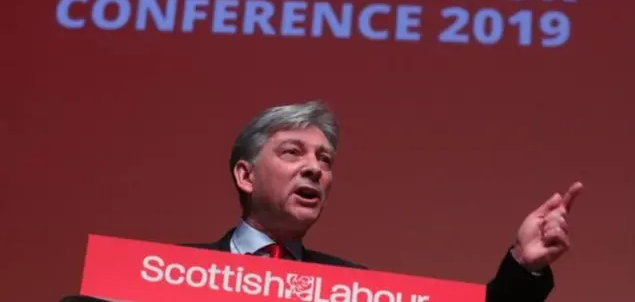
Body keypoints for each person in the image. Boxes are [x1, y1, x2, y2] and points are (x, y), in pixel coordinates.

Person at [183, 100, 584, 302]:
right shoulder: (171, 275)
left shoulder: (354, 288)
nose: (315, 169)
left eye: (324, 159)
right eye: (292, 153)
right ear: (245, 175)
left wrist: (523, 267)